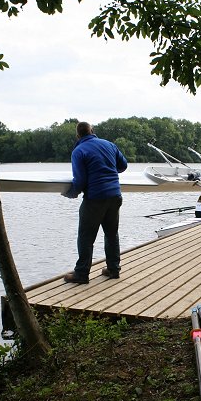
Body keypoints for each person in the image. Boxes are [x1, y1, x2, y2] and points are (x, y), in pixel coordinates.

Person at [62, 121, 128, 284]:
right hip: (115, 196)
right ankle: (113, 270)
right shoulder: (109, 145)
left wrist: (71, 193)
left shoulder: (79, 151)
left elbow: (80, 180)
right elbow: (123, 165)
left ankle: (82, 274)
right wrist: (109, 168)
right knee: (112, 234)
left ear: (78, 135)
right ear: (92, 131)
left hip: (95, 199)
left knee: (85, 237)